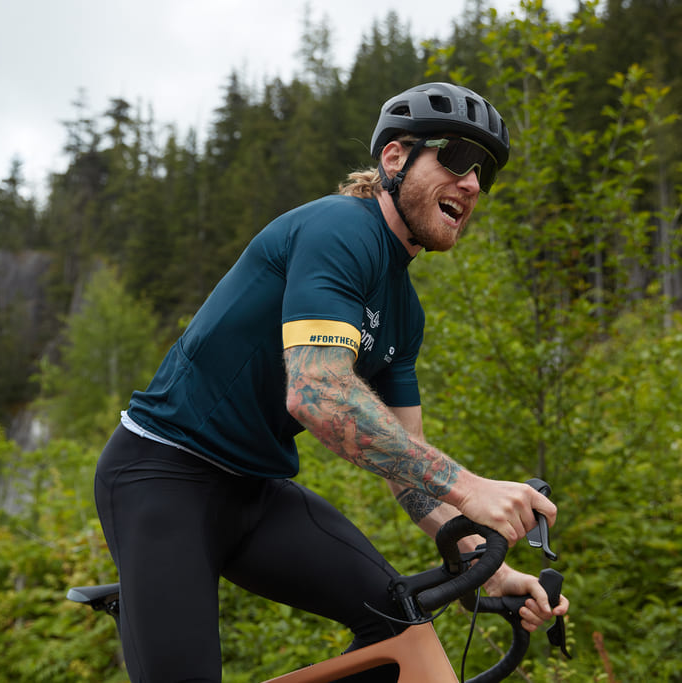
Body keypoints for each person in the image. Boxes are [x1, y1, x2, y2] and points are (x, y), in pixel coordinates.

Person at [94, 82, 570, 682]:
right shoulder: (340, 229)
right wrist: (471, 488)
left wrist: (483, 560)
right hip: (161, 476)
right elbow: (317, 394)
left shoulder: (405, 311)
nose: (473, 182)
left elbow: (409, 470)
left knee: (398, 623)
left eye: (484, 173)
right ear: (395, 157)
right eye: (454, 158)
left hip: (255, 492)